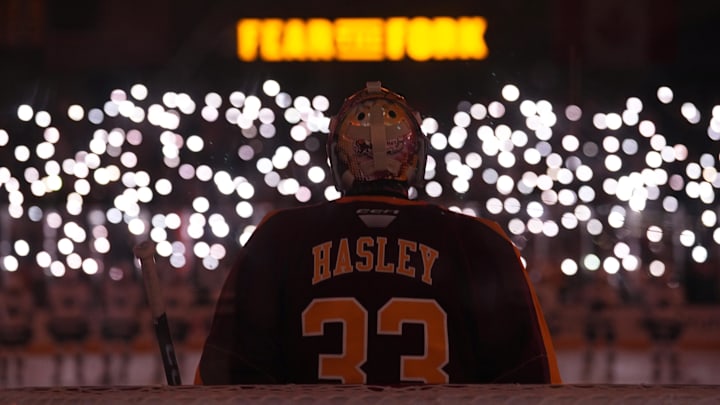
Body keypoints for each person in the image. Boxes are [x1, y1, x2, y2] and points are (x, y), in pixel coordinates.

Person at [195, 81, 562, 385]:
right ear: (415, 157)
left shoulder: (277, 238)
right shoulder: (481, 241)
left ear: (337, 159)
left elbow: (225, 379)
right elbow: (532, 382)